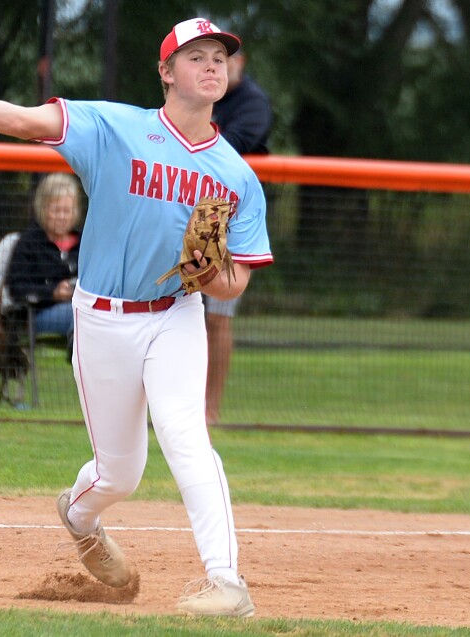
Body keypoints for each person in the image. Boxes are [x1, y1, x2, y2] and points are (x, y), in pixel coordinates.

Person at [0, 16, 273, 618]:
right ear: (166, 71)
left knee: (186, 436)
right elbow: (23, 121)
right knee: (120, 475)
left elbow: (235, 282)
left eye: (219, 58)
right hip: (101, 317)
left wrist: (207, 272)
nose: (211, 65)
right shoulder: (113, 127)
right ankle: (78, 516)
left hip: (176, 314)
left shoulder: (237, 176)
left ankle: (226, 581)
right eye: (196, 55)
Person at [205, 47, 272, 425]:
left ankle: (209, 409)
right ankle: (181, 403)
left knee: (218, 314)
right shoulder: (198, 96)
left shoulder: (252, 103)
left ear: (239, 62)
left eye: (222, 60)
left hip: (231, 215)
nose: (215, 67)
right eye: (206, 60)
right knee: (178, 309)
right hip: (190, 206)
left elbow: (227, 148)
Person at [5, 172, 81, 347]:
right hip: (39, 313)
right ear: (43, 209)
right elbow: (16, 288)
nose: (62, 217)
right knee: (81, 315)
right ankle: (79, 354)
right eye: (56, 211)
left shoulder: (85, 242)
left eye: (67, 211)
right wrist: (53, 292)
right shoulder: (29, 243)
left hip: (81, 306)